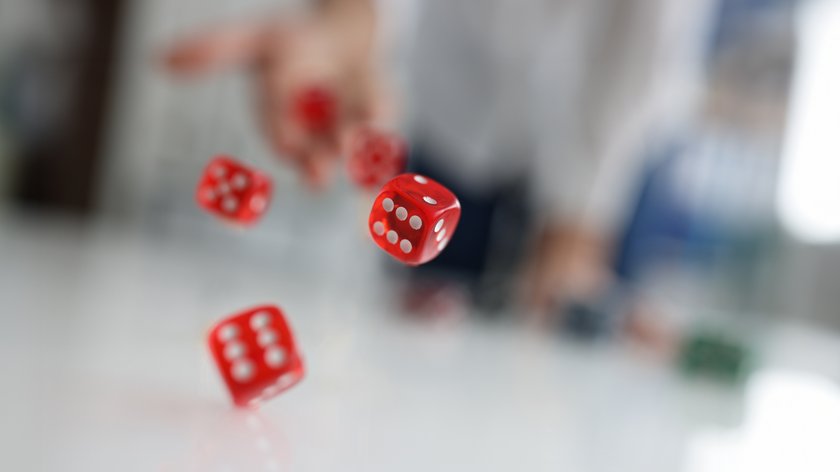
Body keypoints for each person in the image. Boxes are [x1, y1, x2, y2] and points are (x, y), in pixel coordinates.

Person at [165, 0, 716, 323]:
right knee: (425, 325)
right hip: (453, 114)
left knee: (577, 332)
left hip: (605, 136)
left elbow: (641, 50)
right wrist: (349, 23)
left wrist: (581, 213)